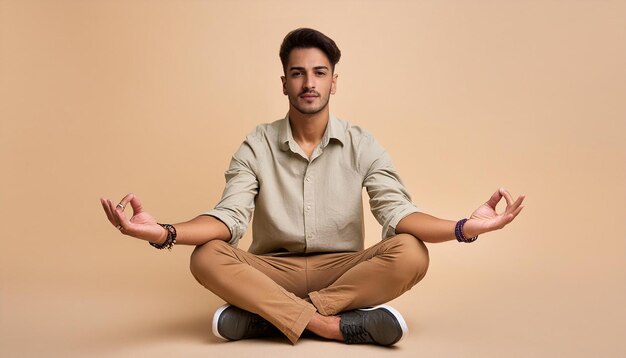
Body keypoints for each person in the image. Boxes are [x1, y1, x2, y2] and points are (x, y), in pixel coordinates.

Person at [100, 28, 525, 346]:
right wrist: (164, 233)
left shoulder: (362, 143)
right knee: (207, 256)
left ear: (333, 82)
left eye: (320, 73)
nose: (309, 83)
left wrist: (464, 226)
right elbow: (228, 218)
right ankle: (329, 326)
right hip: (272, 271)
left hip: (344, 269)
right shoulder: (257, 143)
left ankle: (264, 320)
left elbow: (397, 213)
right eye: (298, 73)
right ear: (283, 82)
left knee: (411, 250)